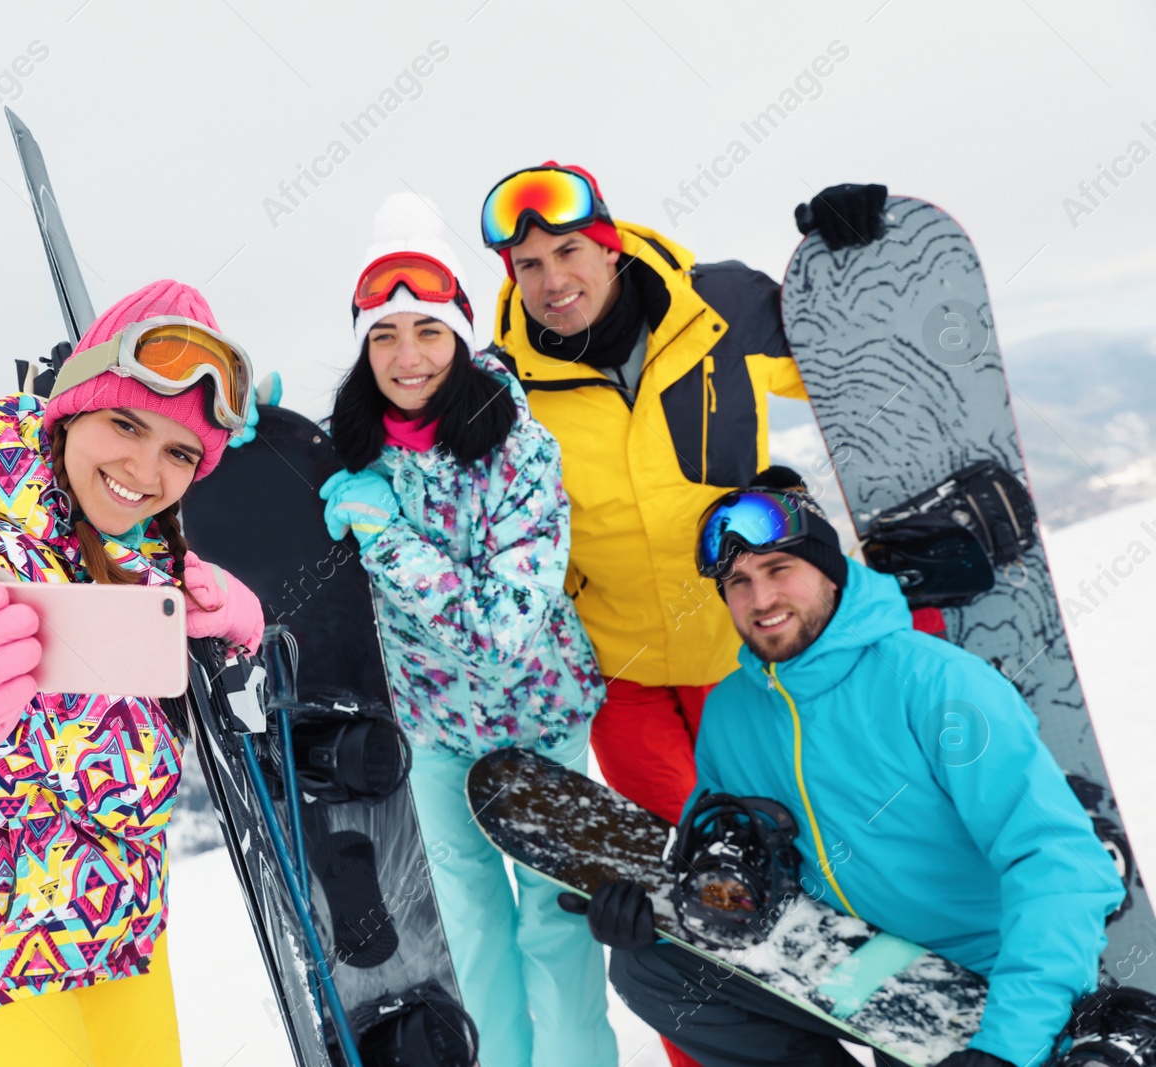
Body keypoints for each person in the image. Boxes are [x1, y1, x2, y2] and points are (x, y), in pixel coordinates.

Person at [568, 467, 1125, 1067]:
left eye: (780, 570)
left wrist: (1006, 1047)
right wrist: (661, 911)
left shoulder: (938, 683)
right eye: (737, 582)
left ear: (828, 570)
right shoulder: (732, 712)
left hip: (982, 978)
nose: (760, 600)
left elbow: (1061, 866)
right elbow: (736, 861)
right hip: (856, 966)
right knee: (651, 966)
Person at [0, 280, 264, 1067]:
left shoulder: (138, 549)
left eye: (179, 452)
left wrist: (234, 630)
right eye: (125, 422)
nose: (144, 469)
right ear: (71, 408)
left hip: (110, 920)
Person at [479, 164, 892, 826]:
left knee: (802, 835)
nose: (551, 280)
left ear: (608, 244)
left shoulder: (722, 307)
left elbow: (843, 365)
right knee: (692, 867)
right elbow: (411, 440)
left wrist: (855, 260)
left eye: (567, 251)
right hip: (620, 674)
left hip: (747, 650)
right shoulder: (502, 385)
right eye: (527, 264)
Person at [319, 197, 615, 1067]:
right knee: (470, 940)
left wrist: (389, 541)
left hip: (541, 729)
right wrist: (244, 438)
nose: (406, 357)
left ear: (461, 336)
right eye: (383, 336)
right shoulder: (355, 449)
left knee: (555, 937)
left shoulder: (519, 446)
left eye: (426, 331)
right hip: (439, 740)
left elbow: (502, 634)